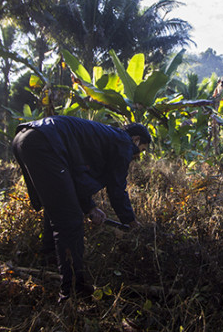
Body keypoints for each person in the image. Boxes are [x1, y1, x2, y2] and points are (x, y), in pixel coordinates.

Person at [11, 115, 150, 302]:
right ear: (136, 140)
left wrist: (90, 208)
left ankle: (49, 258)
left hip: (25, 137)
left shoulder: (104, 138)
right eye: (140, 151)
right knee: (70, 220)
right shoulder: (124, 143)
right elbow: (117, 189)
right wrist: (131, 222)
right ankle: (73, 292)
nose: (136, 157)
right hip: (44, 141)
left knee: (58, 205)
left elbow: (73, 179)